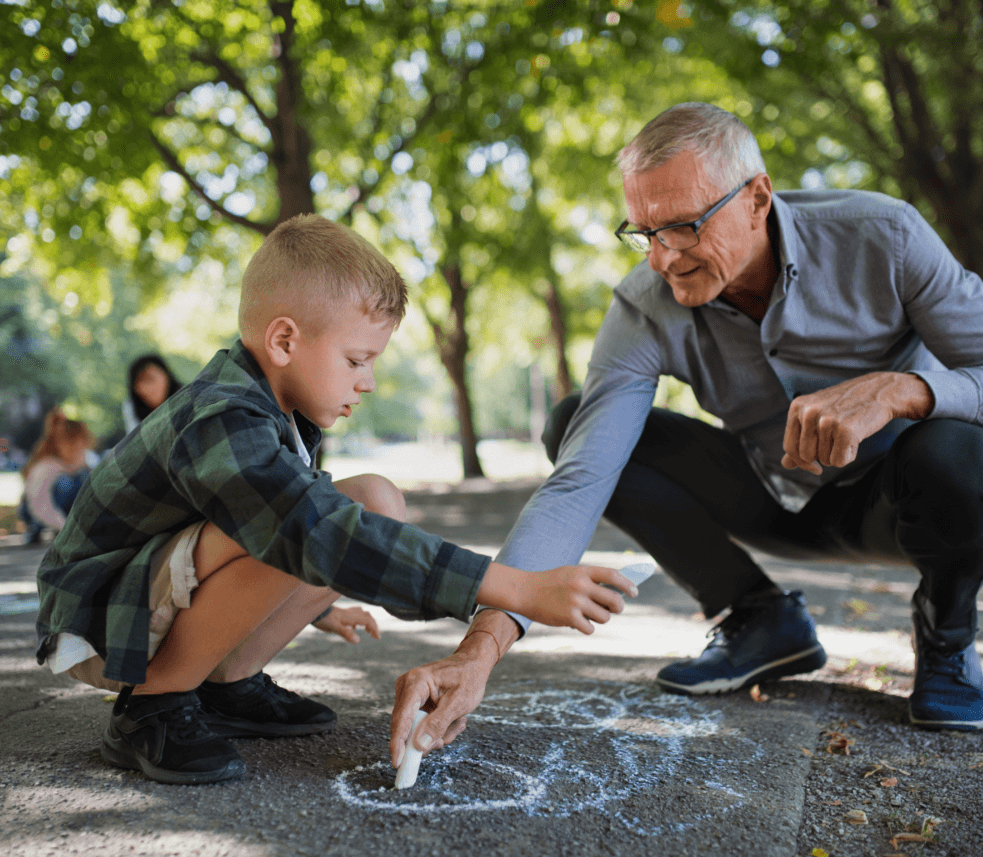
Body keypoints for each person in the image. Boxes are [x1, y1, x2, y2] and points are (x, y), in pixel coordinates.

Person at [390, 101, 983, 766]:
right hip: (775, 495)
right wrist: (480, 649)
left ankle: (947, 637)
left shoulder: (885, 236)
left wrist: (908, 389)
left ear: (758, 197)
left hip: (909, 497)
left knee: (960, 446)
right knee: (570, 423)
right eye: (643, 232)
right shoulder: (644, 306)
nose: (663, 258)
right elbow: (582, 477)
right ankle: (759, 617)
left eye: (683, 227)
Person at [35, 213, 636, 786]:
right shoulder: (221, 417)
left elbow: (280, 532)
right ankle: (152, 706)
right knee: (309, 522)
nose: (368, 381)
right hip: (101, 617)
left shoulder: (278, 412)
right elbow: (305, 529)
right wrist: (515, 588)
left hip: (148, 594)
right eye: (356, 360)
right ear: (284, 340)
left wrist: (318, 607)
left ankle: (225, 684)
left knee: (372, 498)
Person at [17, 409, 94, 543]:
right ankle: (36, 528)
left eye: (83, 446)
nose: (81, 451)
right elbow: (38, 504)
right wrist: (66, 527)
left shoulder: (81, 466)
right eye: (76, 446)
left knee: (85, 478)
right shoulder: (47, 466)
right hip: (34, 510)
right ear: (61, 444)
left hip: (59, 512)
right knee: (66, 483)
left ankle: (62, 525)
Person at [123, 354, 183, 433]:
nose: (146, 388)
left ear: (166, 376)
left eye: (150, 379)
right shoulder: (131, 408)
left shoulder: (188, 399)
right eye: (140, 382)